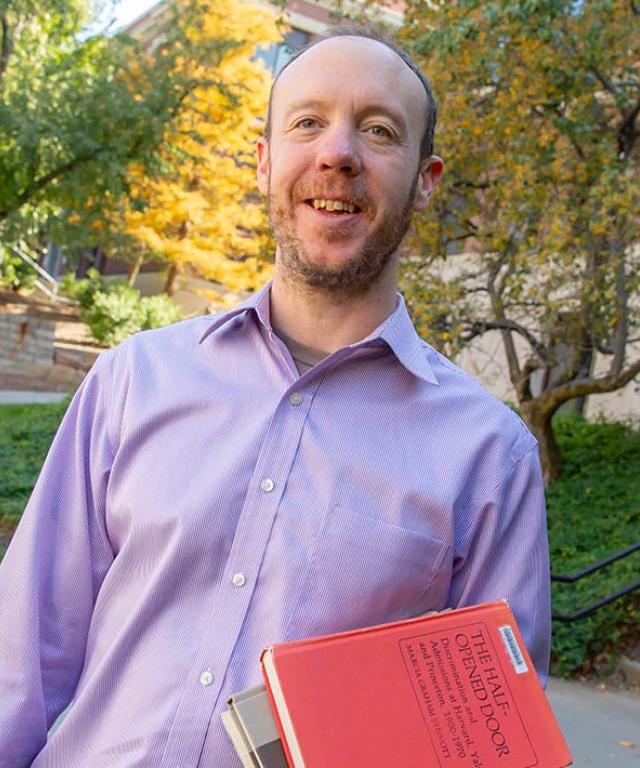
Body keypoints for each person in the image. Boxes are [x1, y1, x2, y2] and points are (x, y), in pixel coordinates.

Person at [0, 25, 551, 767]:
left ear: (426, 179)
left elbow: (497, 740)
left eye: (380, 131)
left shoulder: (488, 456)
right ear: (264, 163)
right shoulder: (133, 381)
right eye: (307, 122)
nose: (338, 153)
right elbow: (21, 657)